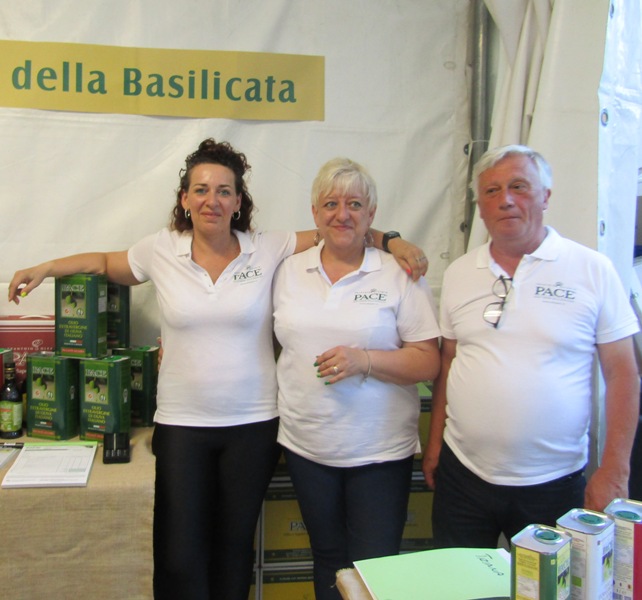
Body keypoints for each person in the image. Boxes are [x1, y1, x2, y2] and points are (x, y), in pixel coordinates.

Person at [8, 139, 428, 600]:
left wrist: (394, 241)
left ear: (239, 201)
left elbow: (342, 227)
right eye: (202, 190)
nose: (213, 200)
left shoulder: (266, 248)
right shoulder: (161, 249)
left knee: (233, 548)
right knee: (179, 554)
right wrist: (46, 267)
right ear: (185, 199)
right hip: (182, 425)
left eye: (225, 191)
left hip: (253, 425)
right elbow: (107, 263)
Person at [422, 144, 640, 549]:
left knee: (548, 583)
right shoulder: (459, 273)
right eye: (491, 191)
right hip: (463, 475)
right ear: (480, 207)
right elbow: (448, 363)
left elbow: (623, 373)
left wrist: (615, 468)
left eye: (519, 186)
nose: (505, 199)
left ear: (546, 196)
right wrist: (435, 444)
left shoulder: (592, 270)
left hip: (554, 483)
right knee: (462, 581)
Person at [273, 157, 441, 599]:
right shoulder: (287, 271)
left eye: (354, 204)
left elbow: (428, 361)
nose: (342, 214)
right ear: (314, 213)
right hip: (307, 447)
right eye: (330, 204)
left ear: (371, 214)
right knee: (327, 559)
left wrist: (364, 360)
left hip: (378, 453)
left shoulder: (400, 274)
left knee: (375, 567)